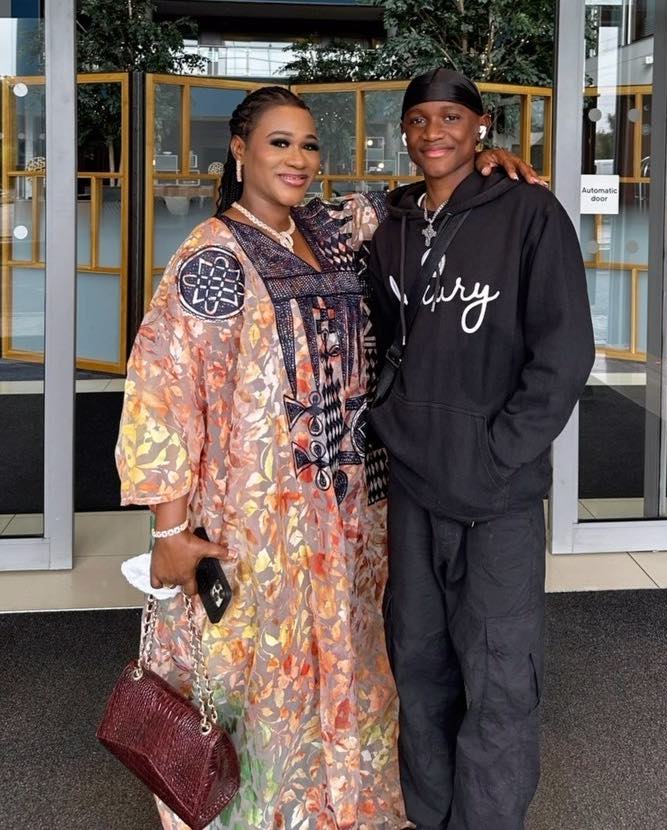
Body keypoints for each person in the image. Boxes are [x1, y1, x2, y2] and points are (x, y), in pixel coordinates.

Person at [115, 85, 540, 830]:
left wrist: (482, 158)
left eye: (309, 145)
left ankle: (350, 811)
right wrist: (170, 530)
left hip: (353, 515)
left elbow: (422, 189)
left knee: (359, 658)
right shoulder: (212, 258)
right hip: (260, 519)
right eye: (279, 142)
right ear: (240, 151)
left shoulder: (334, 227)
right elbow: (165, 392)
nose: (299, 159)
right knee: (268, 678)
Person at [367, 68, 595, 830]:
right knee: (420, 667)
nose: (433, 132)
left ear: (481, 127)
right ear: (405, 132)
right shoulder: (390, 225)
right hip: (414, 492)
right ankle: (430, 816)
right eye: (419, 120)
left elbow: (564, 352)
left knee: (500, 680)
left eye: (451, 118)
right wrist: (392, 421)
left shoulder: (530, 213)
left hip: (496, 500)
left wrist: (499, 454)